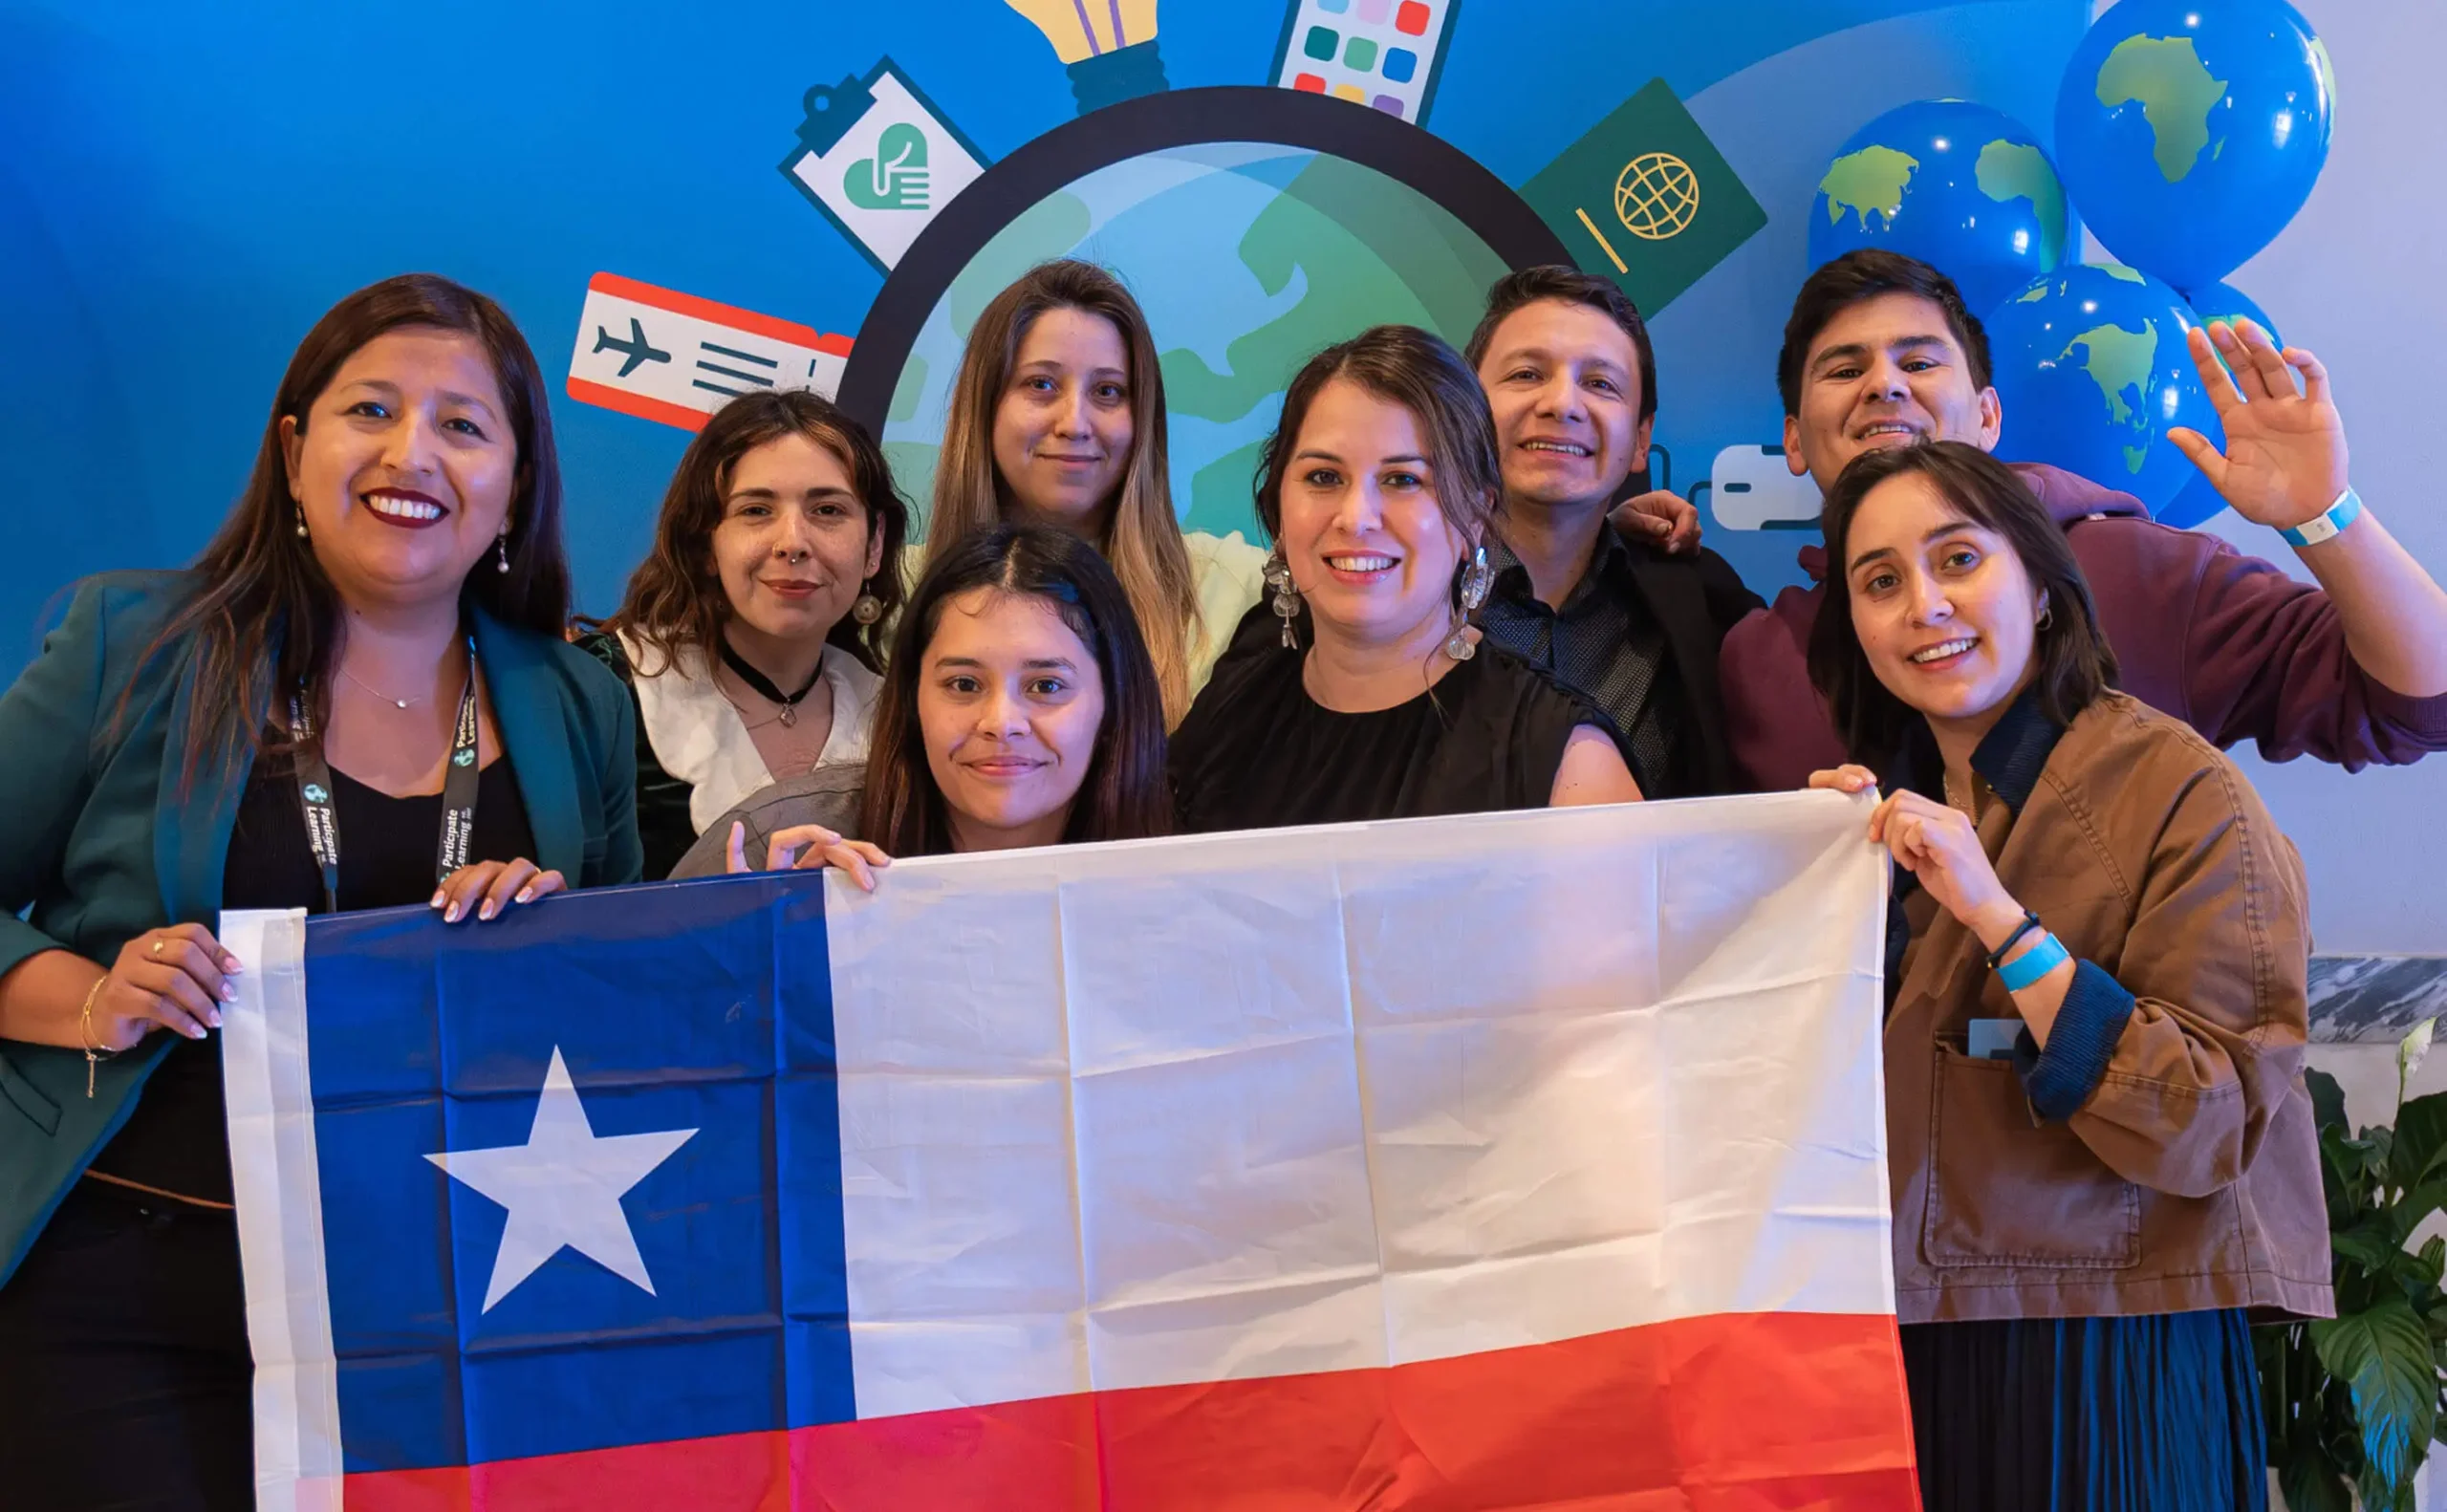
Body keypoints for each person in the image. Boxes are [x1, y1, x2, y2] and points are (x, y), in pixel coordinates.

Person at [0, 273, 642, 1508]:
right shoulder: (129, 645)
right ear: (295, 450)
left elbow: (630, 995)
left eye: (464, 424)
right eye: (372, 410)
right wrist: (89, 996)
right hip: (129, 1285)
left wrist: (573, 933)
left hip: (445, 1303)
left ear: (514, 479)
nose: (415, 453)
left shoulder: (580, 702)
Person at [1808, 441, 2325, 1511]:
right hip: (1902, 1336)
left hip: (2105, 1347)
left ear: (2040, 588)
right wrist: (1801, 883)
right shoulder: (1865, 820)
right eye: (1880, 580)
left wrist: (1995, 917)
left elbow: (2208, 1118)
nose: (1924, 606)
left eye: (1958, 559)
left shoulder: (2177, 786)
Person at [1709, 248, 2447, 791]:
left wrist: (2326, 516)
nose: (1885, 386)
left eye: (1920, 362)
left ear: (1989, 415)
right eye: (1844, 370)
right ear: (1795, 442)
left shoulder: (2137, 572)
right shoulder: (1759, 661)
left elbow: (2422, 706)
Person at [1170, 325, 1641, 833]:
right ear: (1279, 508)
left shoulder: (1568, 764)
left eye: (1403, 480)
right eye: (1324, 477)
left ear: (1476, 519)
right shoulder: (1230, 709)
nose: (1356, 517)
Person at [720, 523, 1170, 884]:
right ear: (913, 698)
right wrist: (760, 955)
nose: (1001, 723)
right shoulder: (771, 845)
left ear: (1113, 704)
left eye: (1046, 687)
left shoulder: (1193, 873)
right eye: (964, 684)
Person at [580, 389, 908, 878]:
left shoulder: (897, 716)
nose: (793, 542)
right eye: (756, 510)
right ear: (707, 542)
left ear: (874, 544)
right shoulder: (608, 688)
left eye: (828, 511)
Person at [1462, 266, 1763, 797]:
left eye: (1600, 384)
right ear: (1464, 412)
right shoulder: (1396, 593)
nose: (1562, 403)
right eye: (1526, 374)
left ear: (1641, 439)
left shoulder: (1696, 598)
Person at [929, 259, 1267, 726]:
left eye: (1108, 391)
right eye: (1041, 384)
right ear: (984, 407)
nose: (1074, 424)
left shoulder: (1232, 592)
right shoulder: (898, 598)